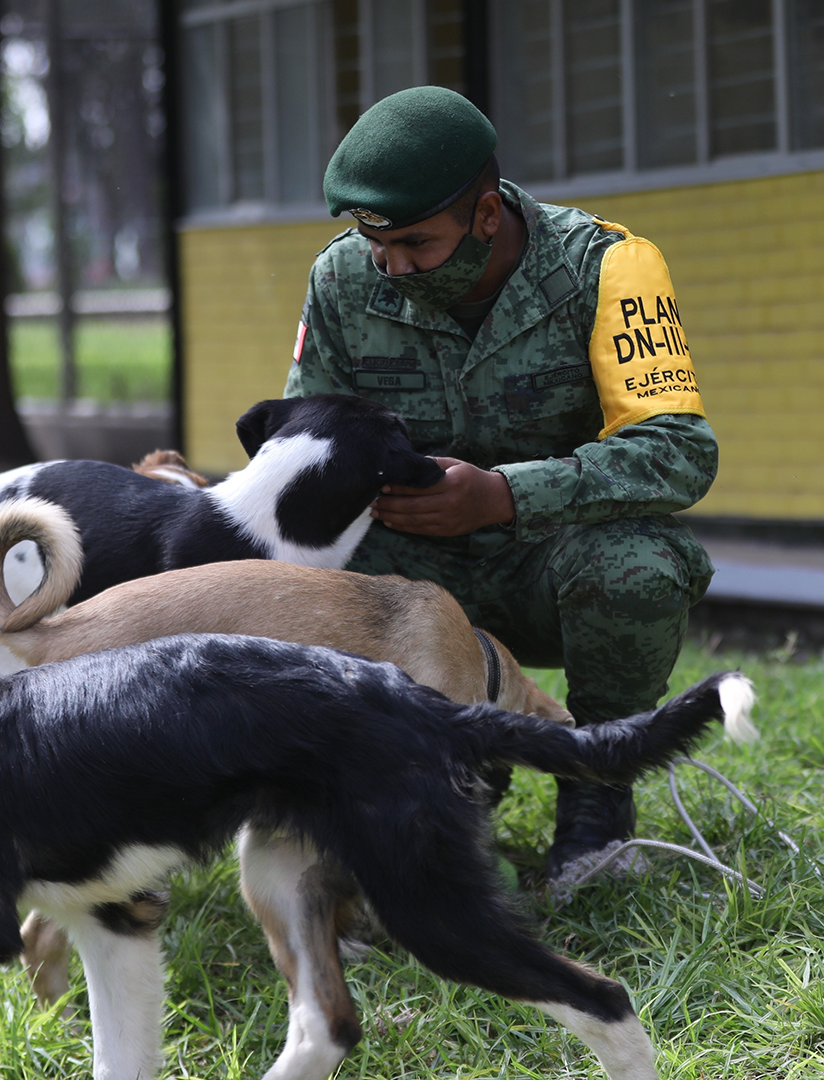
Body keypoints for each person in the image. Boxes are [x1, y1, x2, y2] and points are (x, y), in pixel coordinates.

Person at [285, 85, 717, 885]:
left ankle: (595, 798)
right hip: (412, 575)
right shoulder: (344, 281)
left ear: (487, 215)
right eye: (375, 243)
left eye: (416, 243)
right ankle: (435, 781)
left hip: (548, 567)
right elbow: (306, 442)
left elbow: (679, 451)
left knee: (640, 564)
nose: (393, 266)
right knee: (302, 578)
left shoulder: (609, 266)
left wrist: (505, 495)